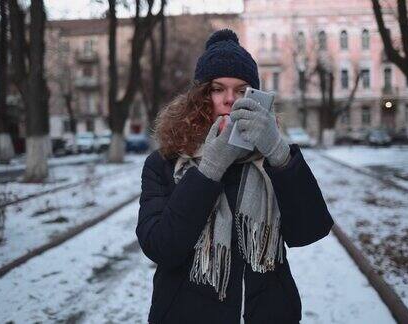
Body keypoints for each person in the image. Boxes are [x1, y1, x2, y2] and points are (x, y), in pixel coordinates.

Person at [136, 29, 334, 324]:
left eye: (242, 90)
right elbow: (161, 247)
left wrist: (279, 154)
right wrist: (209, 170)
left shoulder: (272, 159)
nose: (230, 99)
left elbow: (310, 230)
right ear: (200, 96)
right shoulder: (165, 163)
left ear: (257, 99)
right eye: (218, 89)